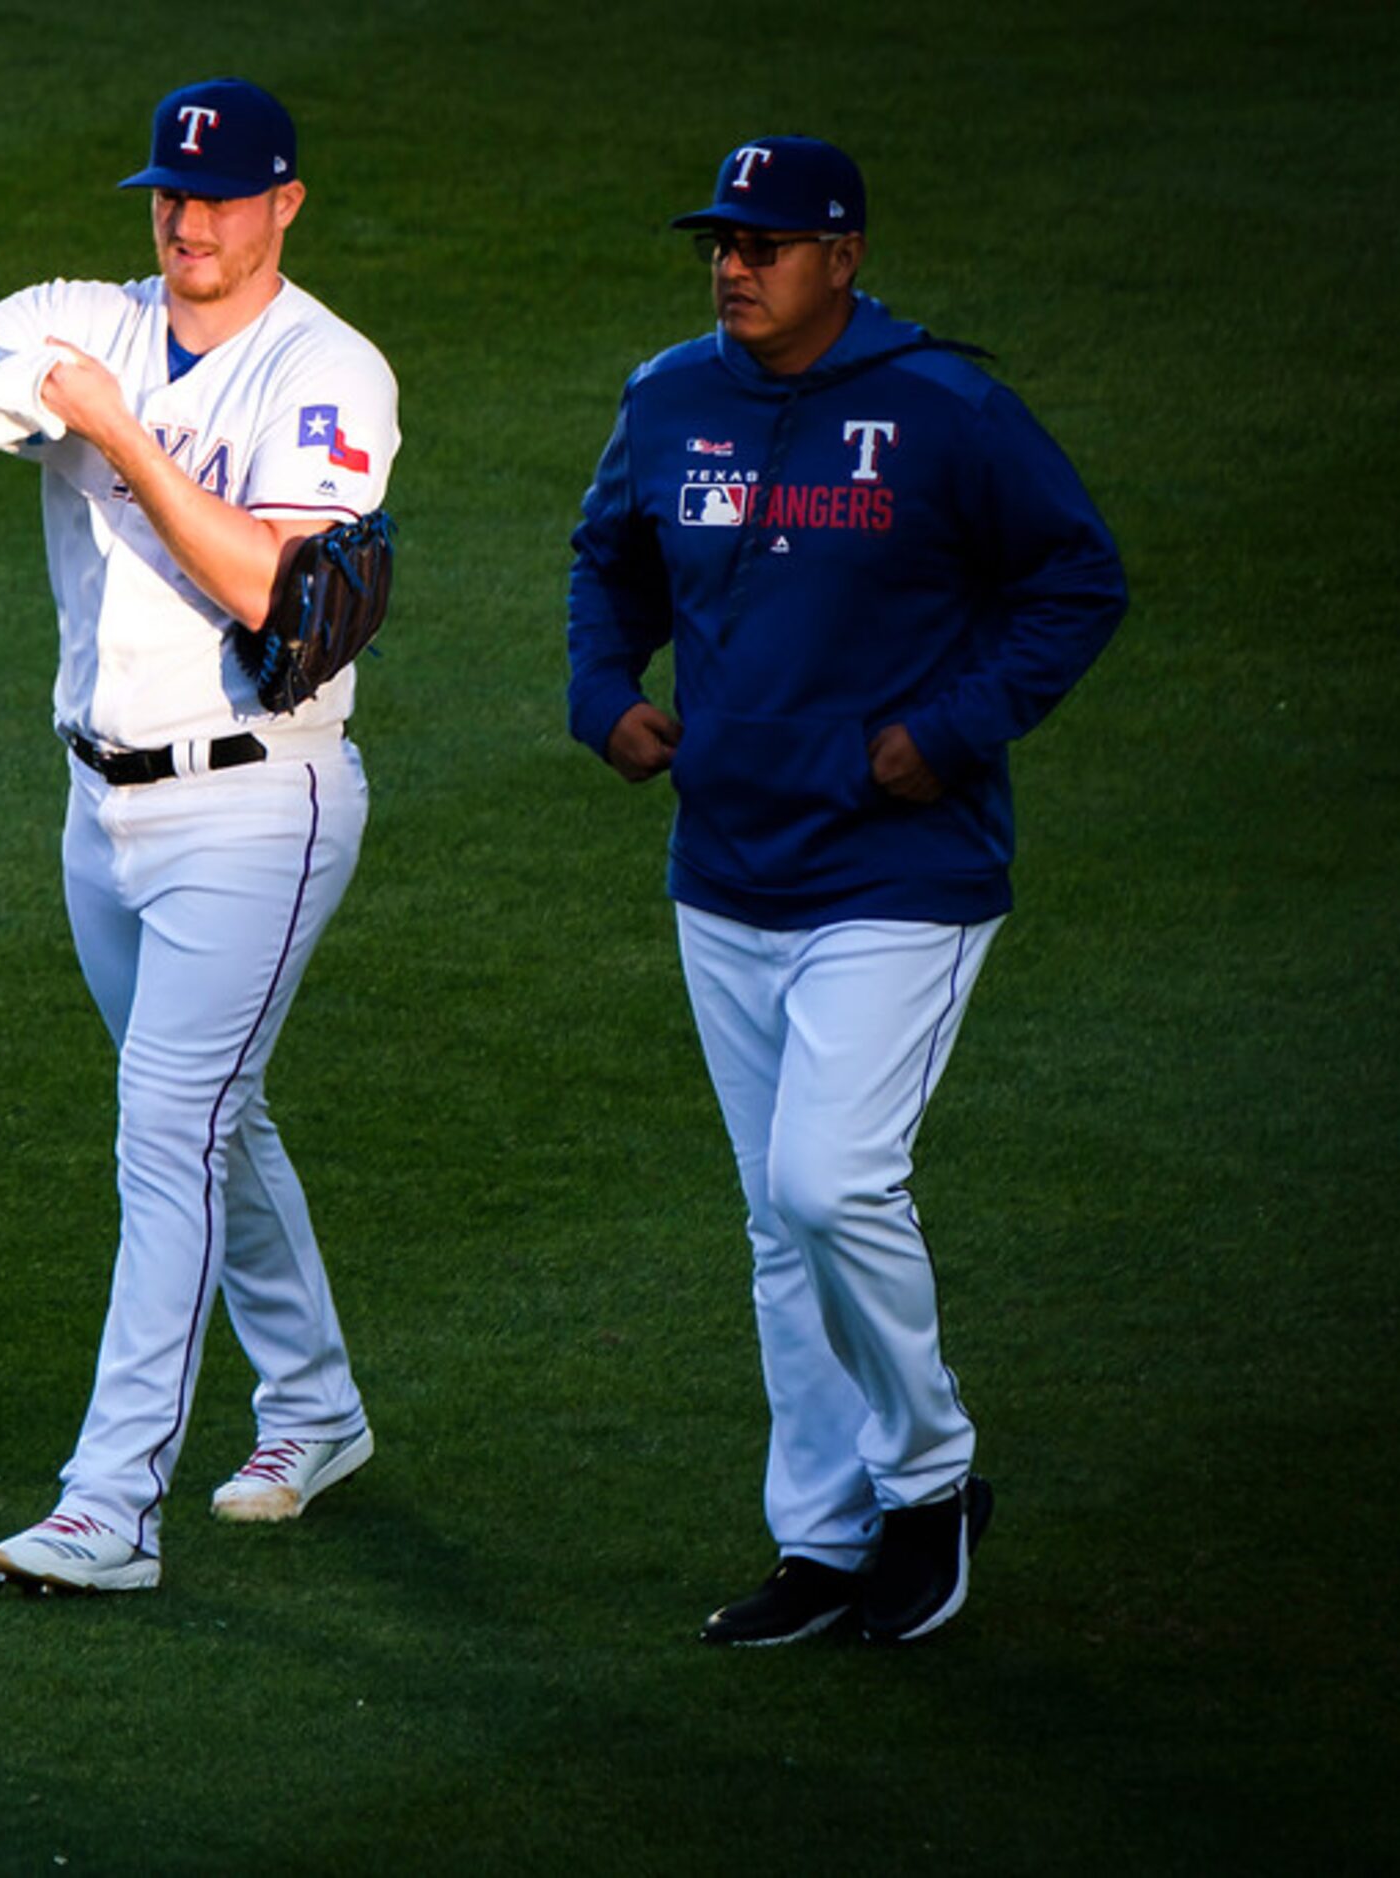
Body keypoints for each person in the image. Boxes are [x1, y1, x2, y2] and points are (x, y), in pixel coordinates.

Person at [0, 78, 399, 1593]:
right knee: (210, 1113)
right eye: (170, 195)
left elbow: (273, 591)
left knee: (166, 1129)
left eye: (222, 197)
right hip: (98, 807)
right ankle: (314, 1404)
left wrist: (113, 427)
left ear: (285, 204)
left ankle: (110, 1505)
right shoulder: (84, 315)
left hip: (261, 799)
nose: (187, 221)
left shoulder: (331, 372)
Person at [566, 136, 1126, 1643]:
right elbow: (607, 554)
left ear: (845, 256)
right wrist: (600, 684)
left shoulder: (948, 407)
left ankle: (931, 1479)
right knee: (774, 1217)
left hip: (900, 875)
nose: (733, 264)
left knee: (831, 1181)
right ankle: (819, 1541)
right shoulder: (671, 393)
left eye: (767, 242)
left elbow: (1080, 577)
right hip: (724, 867)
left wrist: (946, 733)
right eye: (719, 241)